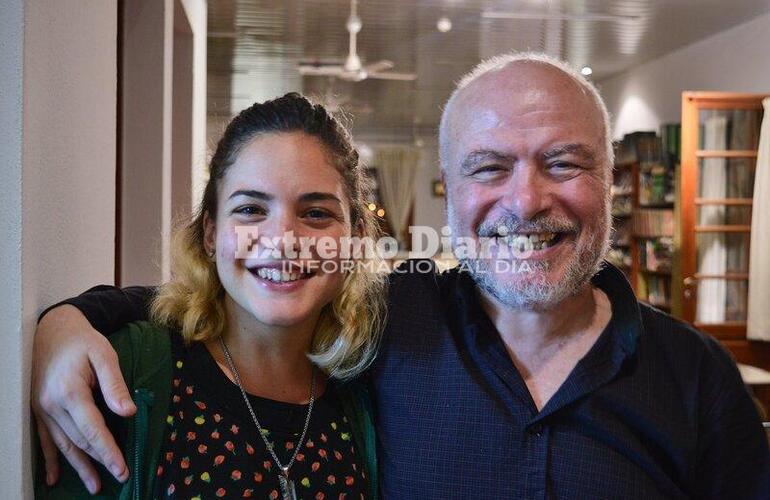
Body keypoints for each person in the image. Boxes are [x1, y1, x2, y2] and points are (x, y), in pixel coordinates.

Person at [33, 53, 770, 498]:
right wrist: (67, 321)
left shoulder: (697, 377)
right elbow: (238, 296)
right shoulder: (398, 317)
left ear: (610, 180)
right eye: (490, 167)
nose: (526, 199)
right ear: (449, 187)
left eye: (564, 162)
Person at [34, 93, 385, 499]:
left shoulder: (373, 382)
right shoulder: (124, 373)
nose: (283, 241)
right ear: (211, 233)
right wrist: (60, 320)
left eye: (316, 214)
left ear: (356, 239)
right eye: (251, 209)